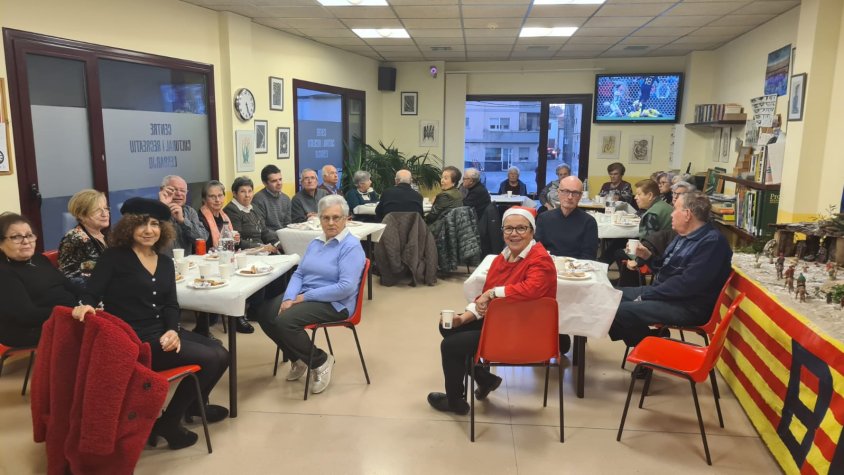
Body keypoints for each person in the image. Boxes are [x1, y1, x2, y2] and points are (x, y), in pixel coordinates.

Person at [71, 198, 229, 450]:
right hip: (134, 340)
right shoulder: (114, 258)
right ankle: (170, 422)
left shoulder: (165, 261)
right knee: (210, 359)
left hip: (162, 332)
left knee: (222, 354)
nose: (148, 230)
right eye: (141, 224)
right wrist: (85, 304)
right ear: (128, 228)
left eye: (155, 224)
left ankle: (191, 407)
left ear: (162, 229)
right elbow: (92, 293)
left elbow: (170, 305)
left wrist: (171, 330)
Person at [427, 207, 557, 414]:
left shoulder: (540, 260)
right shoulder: (501, 259)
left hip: (526, 331)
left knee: (451, 346)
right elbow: (486, 298)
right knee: (450, 328)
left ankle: (455, 401)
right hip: (506, 323)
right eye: (508, 229)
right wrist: (464, 318)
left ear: (532, 231)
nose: (514, 234)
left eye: (521, 228)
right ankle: (484, 378)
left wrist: (493, 293)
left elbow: (531, 289)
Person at [256, 195, 366, 395]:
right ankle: (298, 358)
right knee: (264, 313)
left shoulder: (351, 246)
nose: (330, 223)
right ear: (319, 219)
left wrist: (304, 298)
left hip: (336, 303)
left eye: (336, 217)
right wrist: (289, 297)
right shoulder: (316, 242)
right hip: (306, 294)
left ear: (346, 219)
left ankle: (320, 361)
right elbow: (300, 273)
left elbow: (346, 287)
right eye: (325, 218)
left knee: (285, 321)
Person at [609, 191, 733, 350]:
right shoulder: (683, 235)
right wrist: (647, 256)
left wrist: (646, 296)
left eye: (675, 209)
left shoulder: (712, 243)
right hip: (665, 294)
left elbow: (686, 285)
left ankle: (650, 349)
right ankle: (652, 341)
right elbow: (663, 269)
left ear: (687, 214)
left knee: (616, 311)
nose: (671, 214)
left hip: (688, 306)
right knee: (608, 296)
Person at [0, 213, 79, 347]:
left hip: (63, 316)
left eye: (29, 235)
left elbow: (68, 286)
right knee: (96, 331)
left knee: (112, 313)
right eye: (16, 237)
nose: (26, 241)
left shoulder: (39, 259)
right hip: (27, 329)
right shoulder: (4, 272)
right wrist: (70, 313)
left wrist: (89, 300)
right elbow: (26, 315)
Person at [197, 180, 252, 334]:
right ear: (204, 199)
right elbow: (205, 244)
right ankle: (233, 318)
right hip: (206, 261)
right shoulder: (200, 217)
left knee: (242, 275)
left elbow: (230, 242)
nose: (217, 200)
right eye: (212, 197)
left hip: (224, 258)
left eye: (220, 195)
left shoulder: (224, 216)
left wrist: (236, 239)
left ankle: (237, 316)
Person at [615, 179, 673, 286]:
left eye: (639, 194)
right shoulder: (666, 206)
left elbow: (648, 244)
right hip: (669, 251)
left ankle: (631, 284)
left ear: (650, 195)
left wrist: (637, 260)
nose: (635, 197)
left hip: (657, 256)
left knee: (618, 252)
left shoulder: (652, 213)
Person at [535, 176, 598, 260]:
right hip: (549, 266)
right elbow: (538, 250)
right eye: (566, 191)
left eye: (575, 193)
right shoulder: (543, 218)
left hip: (578, 269)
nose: (570, 197)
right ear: (558, 192)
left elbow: (589, 255)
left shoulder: (589, 222)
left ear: (580, 196)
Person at [58, 189, 110, 285]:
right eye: (98, 210)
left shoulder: (107, 236)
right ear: (81, 215)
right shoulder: (74, 239)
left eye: (106, 208)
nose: (105, 214)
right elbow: (70, 277)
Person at [223, 176, 279, 253]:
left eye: (250, 191)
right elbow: (237, 242)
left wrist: (277, 243)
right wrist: (261, 247)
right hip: (246, 253)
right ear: (234, 193)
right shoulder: (231, 210)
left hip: (262, 250)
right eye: (243, 192)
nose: (247, 195)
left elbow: (264, 232)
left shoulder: (254, 207)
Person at [158, 175, 208, 256]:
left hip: (186, 264)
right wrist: (162, 209)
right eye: (174, 190)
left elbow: (202, 239)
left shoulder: (190, 212)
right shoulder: (152, 210)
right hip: (161, 265)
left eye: (183, 191)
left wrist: (183, 221)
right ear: (162, 190)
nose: (179, 194)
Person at [252, 164, 292, 232]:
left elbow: (288, 224)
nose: (279, 183)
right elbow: (262, 228)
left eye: (280, 179)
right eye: (274, 181)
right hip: (268, 238)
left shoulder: (286, 198)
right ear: (265, 183)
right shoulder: (258, 199)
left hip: (284, 235)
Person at [426, 166, 463, 232]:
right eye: (442, 177)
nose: (442, 180)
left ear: (453, 182)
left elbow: (432, 217)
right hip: (454, 228)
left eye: (445, 178)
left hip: (441, 229)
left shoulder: (444, 195)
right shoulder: (458, 192)